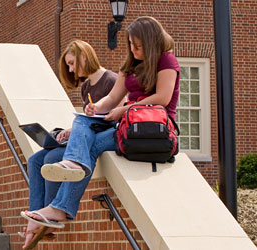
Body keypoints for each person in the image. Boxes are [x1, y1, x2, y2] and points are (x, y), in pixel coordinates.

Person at [23, 15, 179, 247]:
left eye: (138, 46)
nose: (134, 50)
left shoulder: (167, 61)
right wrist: (97, 107)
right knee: (83, 121)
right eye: (131, 45)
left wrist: (123, 110)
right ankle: (71, 171)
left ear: (151, 42)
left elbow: (163, 98)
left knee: (93, 144)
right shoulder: (130, 66)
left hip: (150, 127)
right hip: (126, 123)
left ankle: (61, 205)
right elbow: (113, 97)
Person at [20, 39, 118, 248]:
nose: (72, 70)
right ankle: (36, 218)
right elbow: (90, 118)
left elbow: (115, 117)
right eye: (69, 66)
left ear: (84, 56)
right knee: (36, 159)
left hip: (108, 133)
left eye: (72, 63)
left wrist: (82, 126)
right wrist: (69, 132)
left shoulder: (111, 79)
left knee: (53, 157)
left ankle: (52, 213)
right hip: (87, 133)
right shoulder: (86, 87)